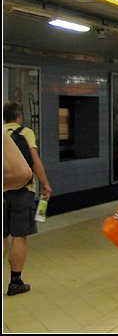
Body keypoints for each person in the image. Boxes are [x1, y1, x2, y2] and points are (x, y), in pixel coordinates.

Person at [3, 101, 52, 296]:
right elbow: (34, 160)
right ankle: (16, 281)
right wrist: (45, 184)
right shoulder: (25, 132)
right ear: (19, 116)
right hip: (23, 190)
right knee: (18, 236)